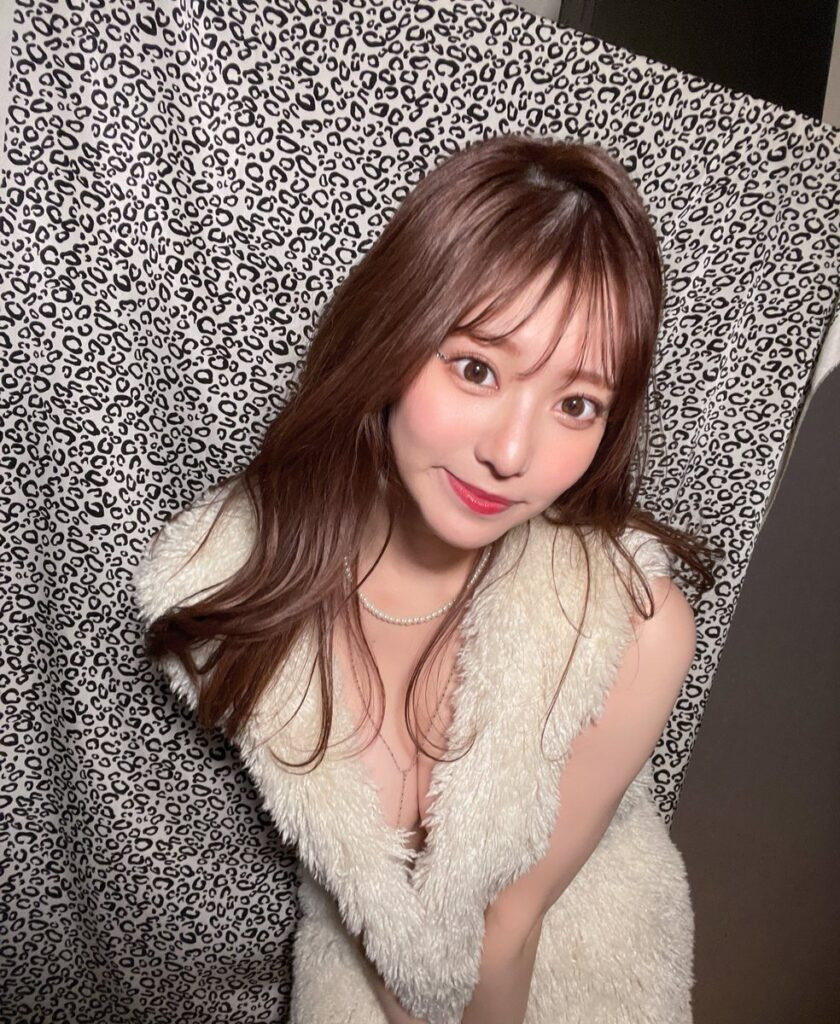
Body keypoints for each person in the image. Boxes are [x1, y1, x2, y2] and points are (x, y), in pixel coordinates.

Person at [134, 133, 714, 1024]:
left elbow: (507, 928)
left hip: (579, 969)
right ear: (391, 336)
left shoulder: (634, 628)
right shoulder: (237, 590)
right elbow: (364, 888)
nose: (511, 453)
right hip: (356, 962)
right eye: (476, 368)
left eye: (576, 404)